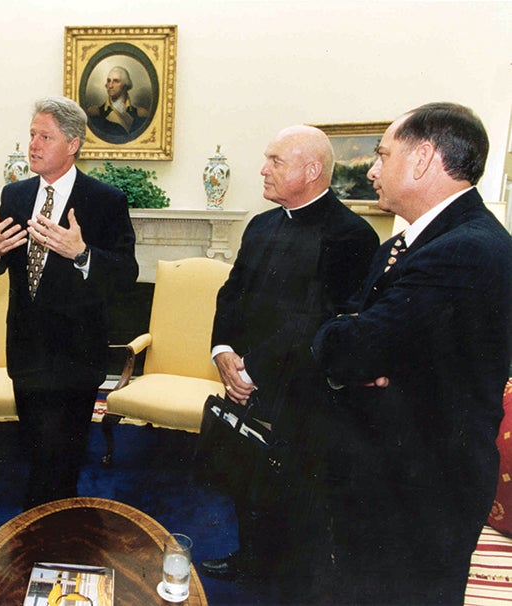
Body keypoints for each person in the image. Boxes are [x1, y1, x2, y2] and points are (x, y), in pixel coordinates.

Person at [313, 102, 512, 604]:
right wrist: (357, 341)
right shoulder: (407, 243)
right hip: (392, 476)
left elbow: (349, 351)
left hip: (422, 490)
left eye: (382, 154)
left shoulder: (465, 249)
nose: (373, 170)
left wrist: (353, 343)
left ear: (423, 159)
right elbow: (357, 336)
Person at [195, 125, 379, 602]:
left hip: (303, 388)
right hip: (244, 375)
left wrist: (250, 368)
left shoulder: (351, 235)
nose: (262, 169)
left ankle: (286, 578)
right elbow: (231, 293)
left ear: (311, 170)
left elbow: (318, 319)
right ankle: (250, 557)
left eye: (275, 160)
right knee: (245, 468)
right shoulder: (261, 224)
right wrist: (223, 353)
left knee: (295, 488)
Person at [0, 96, 138, 509]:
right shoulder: (14, 195)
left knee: (62, 461)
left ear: (73, 144)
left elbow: (126, 274)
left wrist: (82, 253)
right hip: (26, 351)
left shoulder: (104, 200)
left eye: (44, 136)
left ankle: (54, 538)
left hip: (75, 355)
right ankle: (36, 532)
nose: (33, 144)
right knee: (34, 452)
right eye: (32, 134)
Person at [85, 66, 151, 144]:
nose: (110, 86)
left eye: (116, 81)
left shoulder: (141, 114)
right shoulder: (95, 113)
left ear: (125, 86)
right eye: (109, 81)